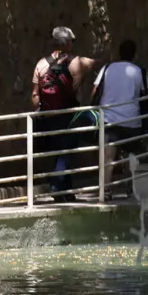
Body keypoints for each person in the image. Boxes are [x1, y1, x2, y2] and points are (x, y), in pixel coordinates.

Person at [31, 26, 99, 201]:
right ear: (68, 44)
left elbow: (35, 94)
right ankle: (57, 189)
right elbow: (95, 63)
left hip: (46, 117)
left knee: (59, 152)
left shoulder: (41, 63)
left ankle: (65, 191)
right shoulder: (76, 62)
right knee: (66, 151)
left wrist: (42, 111)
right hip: (66, 115)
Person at [92, 39, 148, 199]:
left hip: (108, 119)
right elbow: (143, 94)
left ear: (119, 53)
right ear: (134, 54)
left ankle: (106, 190)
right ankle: (130, 188)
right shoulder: (138, 71)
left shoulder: (107, 68)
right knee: (131, 155)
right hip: (131, 120)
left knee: (108, 157)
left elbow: (95, 90)